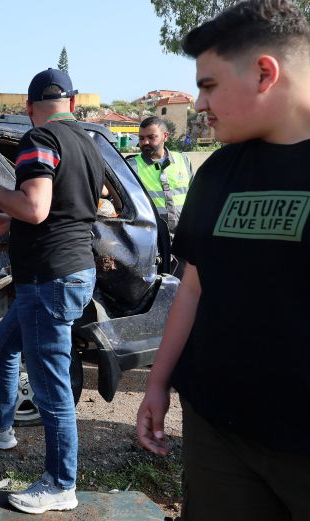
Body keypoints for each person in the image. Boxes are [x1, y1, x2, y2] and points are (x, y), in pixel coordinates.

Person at [136, 2, 310, 519]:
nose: (199, 103)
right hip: (217, 430)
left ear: (264, 72)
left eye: (209, 86)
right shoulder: (217, 172)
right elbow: (194, 284)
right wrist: (158, 382)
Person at [0, 68, 104, 514]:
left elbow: (37, 208)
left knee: (50, 387)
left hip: (49, 279)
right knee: (3, 346)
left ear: (29, 108)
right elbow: (68, 208)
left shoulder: (39, 140)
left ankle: (60, 483)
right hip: (70, 270)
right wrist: (7, 219)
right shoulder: (89, 144)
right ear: (73, 104)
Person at [134, 116, 194, 235]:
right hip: (153, 235)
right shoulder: (132, 166)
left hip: (185, 233)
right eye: (141, 138)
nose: (145, 142)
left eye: (151, 137)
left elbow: (196, 195)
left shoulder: (183, 160)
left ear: (165, 136)